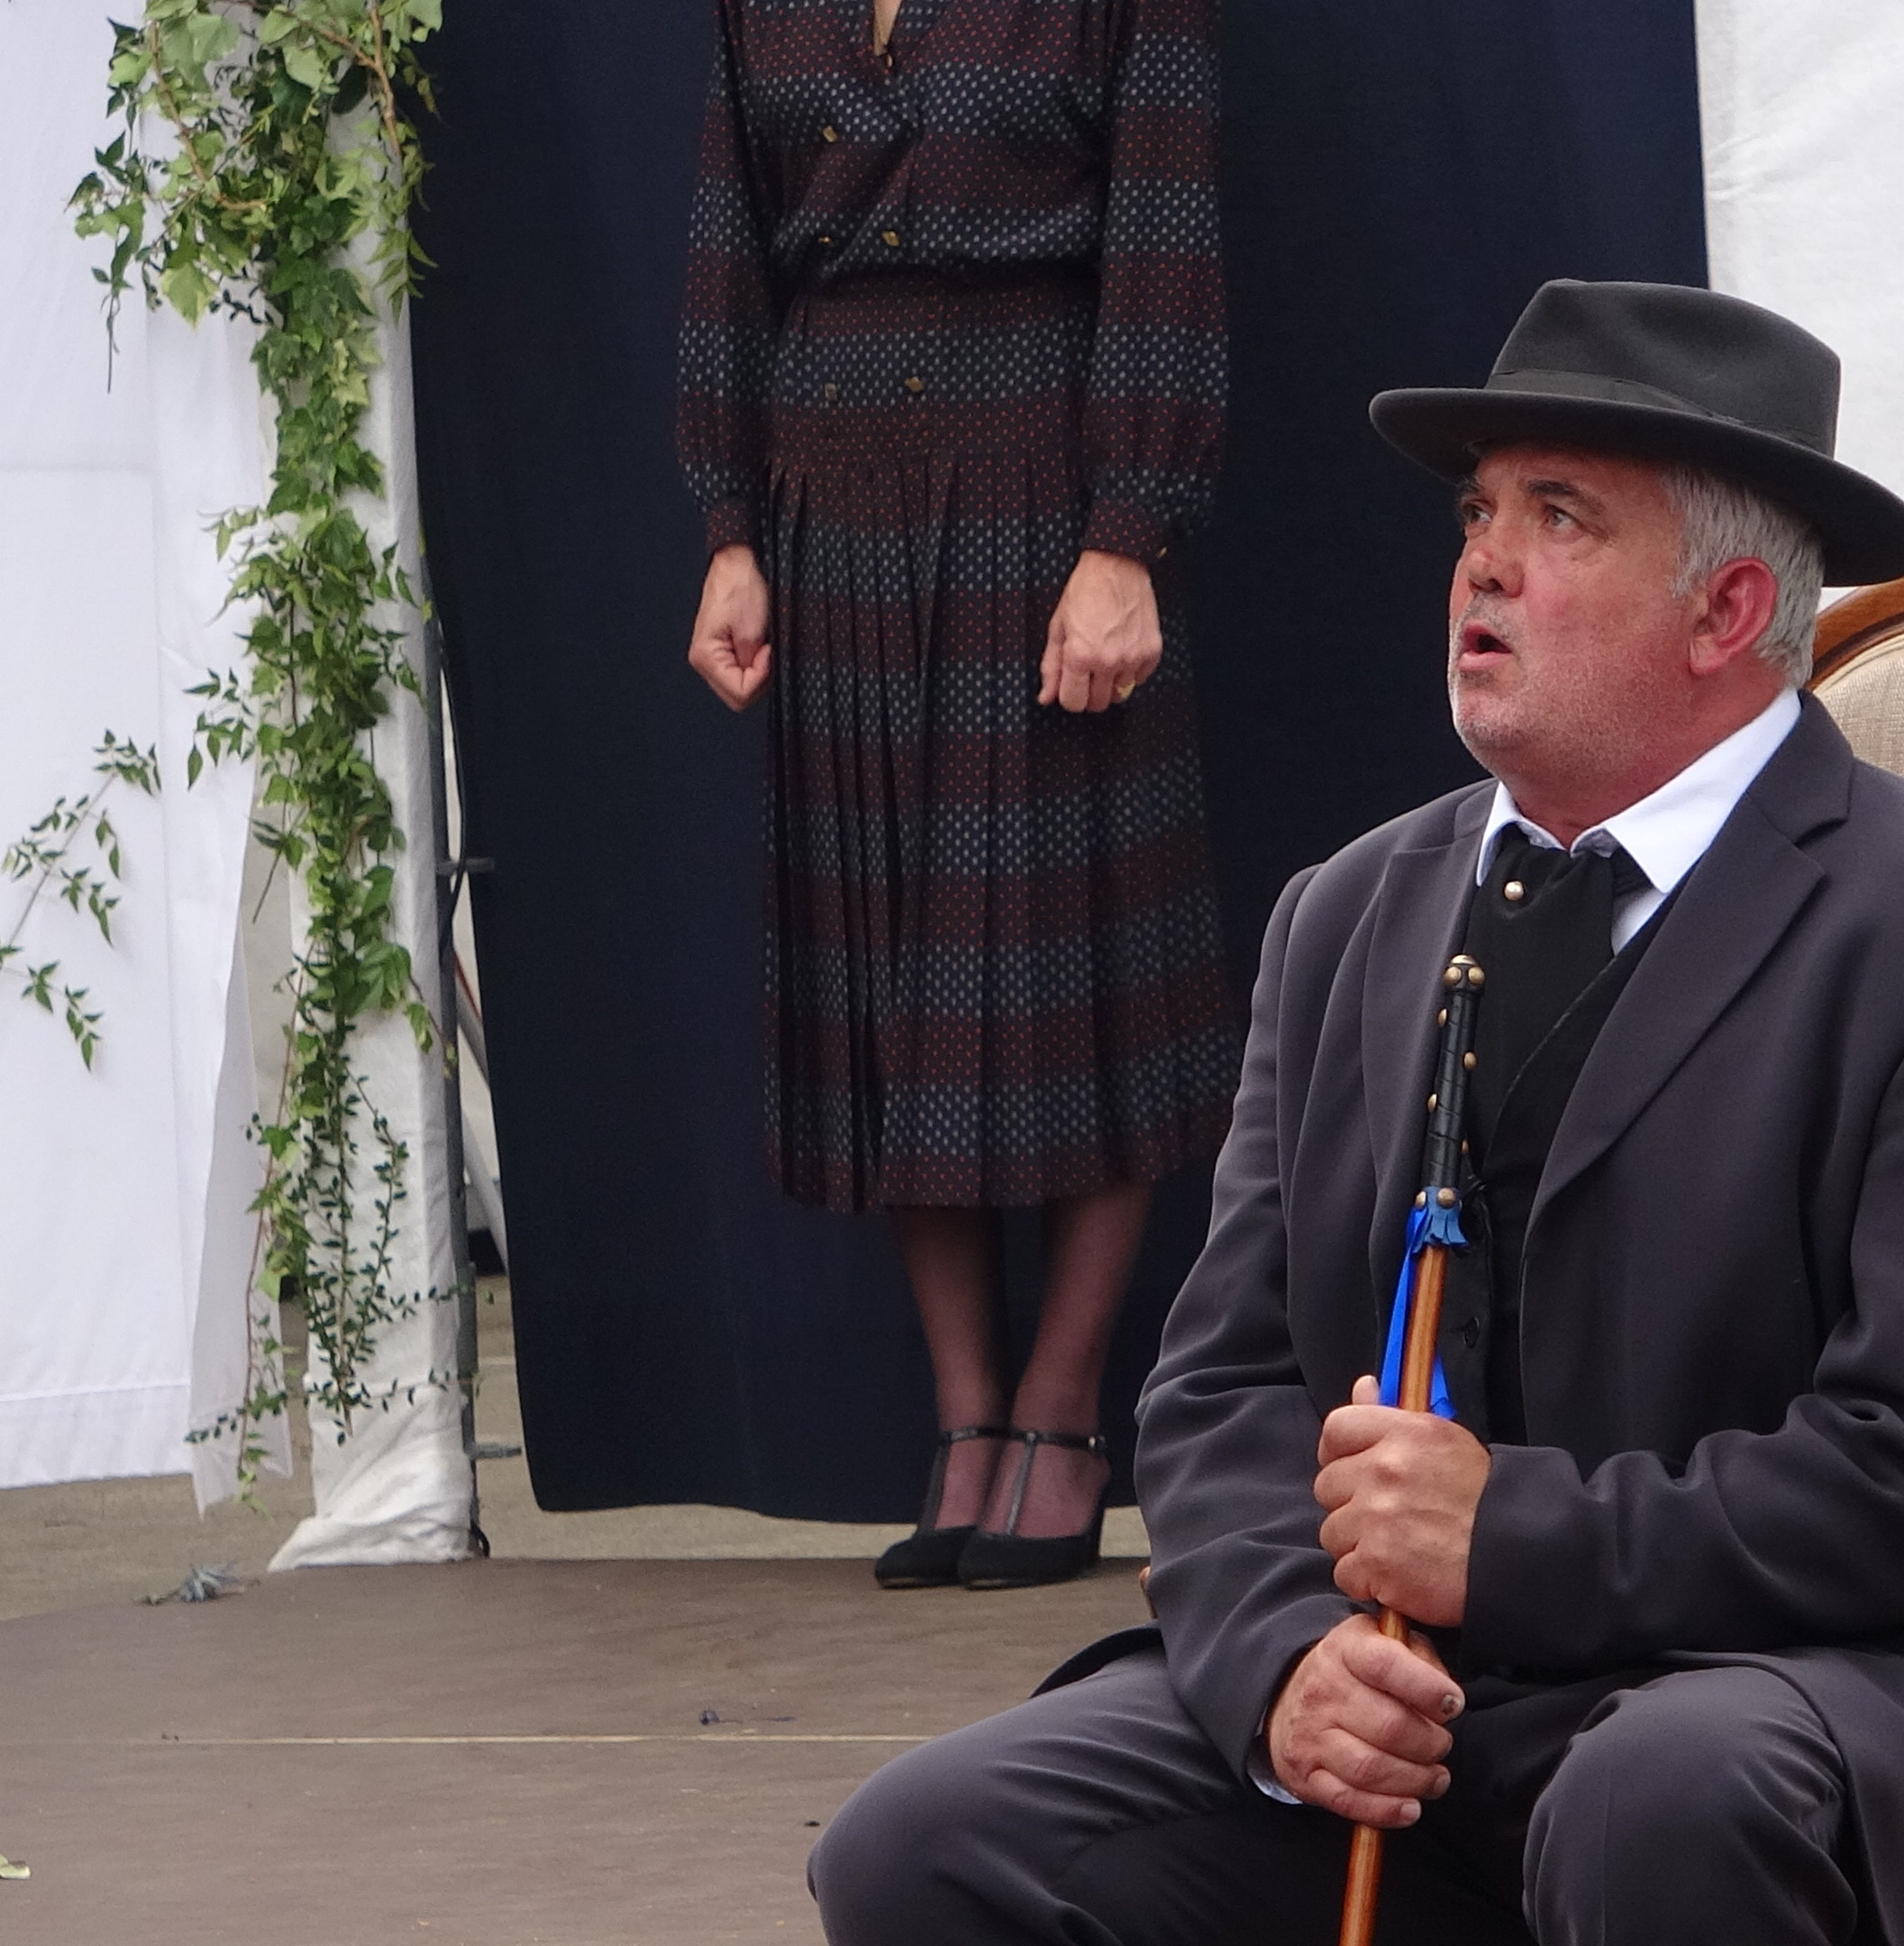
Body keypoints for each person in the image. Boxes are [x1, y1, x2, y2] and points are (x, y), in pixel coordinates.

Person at [810, 279, 1904, 1944]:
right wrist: (1288, 1660)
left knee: (1659, 1796)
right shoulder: (1347, 911)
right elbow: (1224, 1388)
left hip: (1815, 1693)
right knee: (924, 1846)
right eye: (1477, 514)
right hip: (1426, 1706)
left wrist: (1506, 1542)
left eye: (1556, 517)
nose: (1482, 565)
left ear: (1726, 609)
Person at [673, 0, 1237, 1591]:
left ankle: (1063, 1415)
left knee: (1083, 970)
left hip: (1041, 484)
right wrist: (730, 530)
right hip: (829, 499)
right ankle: (967, 1418)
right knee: (890, 973)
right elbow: (730, 249)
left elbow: (1165, 242)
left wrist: (1126, 534)